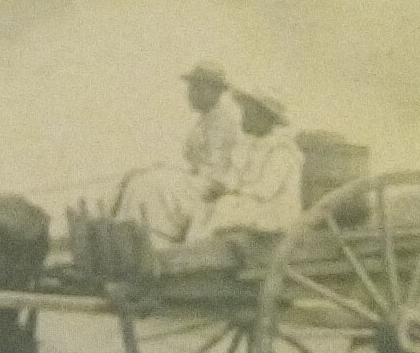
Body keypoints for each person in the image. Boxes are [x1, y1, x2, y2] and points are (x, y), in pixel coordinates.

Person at [111, 61, 242, 244]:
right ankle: (127, 232)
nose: (191, 94)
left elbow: (215, 170)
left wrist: (173, 173)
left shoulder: (223, 123)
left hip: (210, 186)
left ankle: (149, 237)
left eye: (199, 89)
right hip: (198, 181)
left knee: (150, 184)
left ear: (216, 92)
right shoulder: (206, 120)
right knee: (138, 179)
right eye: (192, 88)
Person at [189, 88, 303, 241]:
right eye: (244, 113)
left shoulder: (282, 150)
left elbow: (265, 190)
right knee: (205, 203)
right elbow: (236, 177)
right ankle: (192, 246)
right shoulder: (250, 145)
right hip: (252, 204)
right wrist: (221, 187)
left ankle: (205, 246)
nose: (243, 118)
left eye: (249, 114)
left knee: (225, 206)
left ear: (265, 118)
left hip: (275, 211)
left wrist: (229, 191)